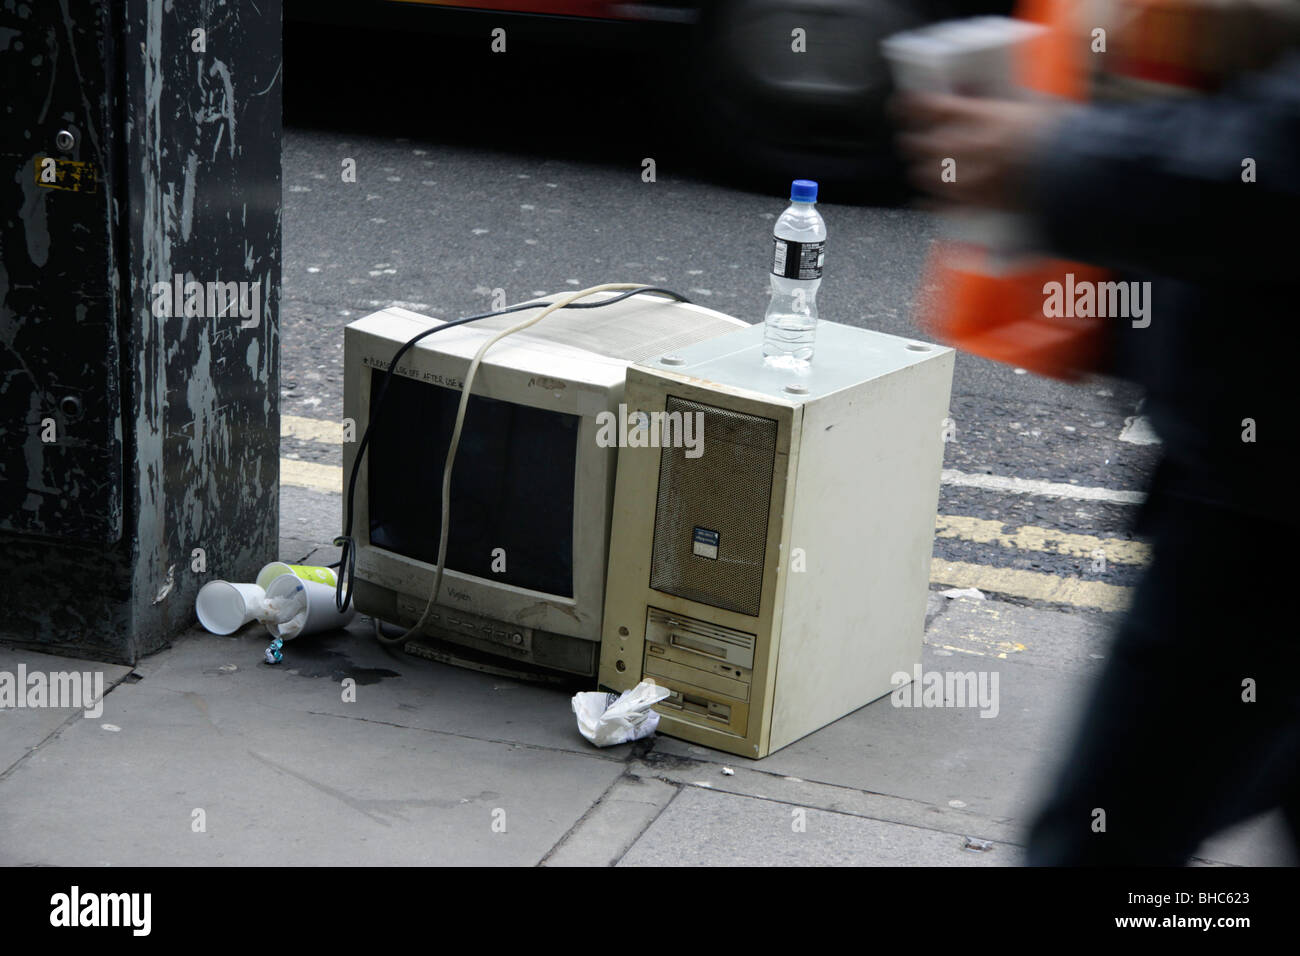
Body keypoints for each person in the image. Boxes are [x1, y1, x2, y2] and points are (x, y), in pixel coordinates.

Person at [895, 42, 1300, 864]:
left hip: (1263, 509)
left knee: (1102, 840)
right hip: (1250, 472)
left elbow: (1272, 164)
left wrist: (1053, 156)